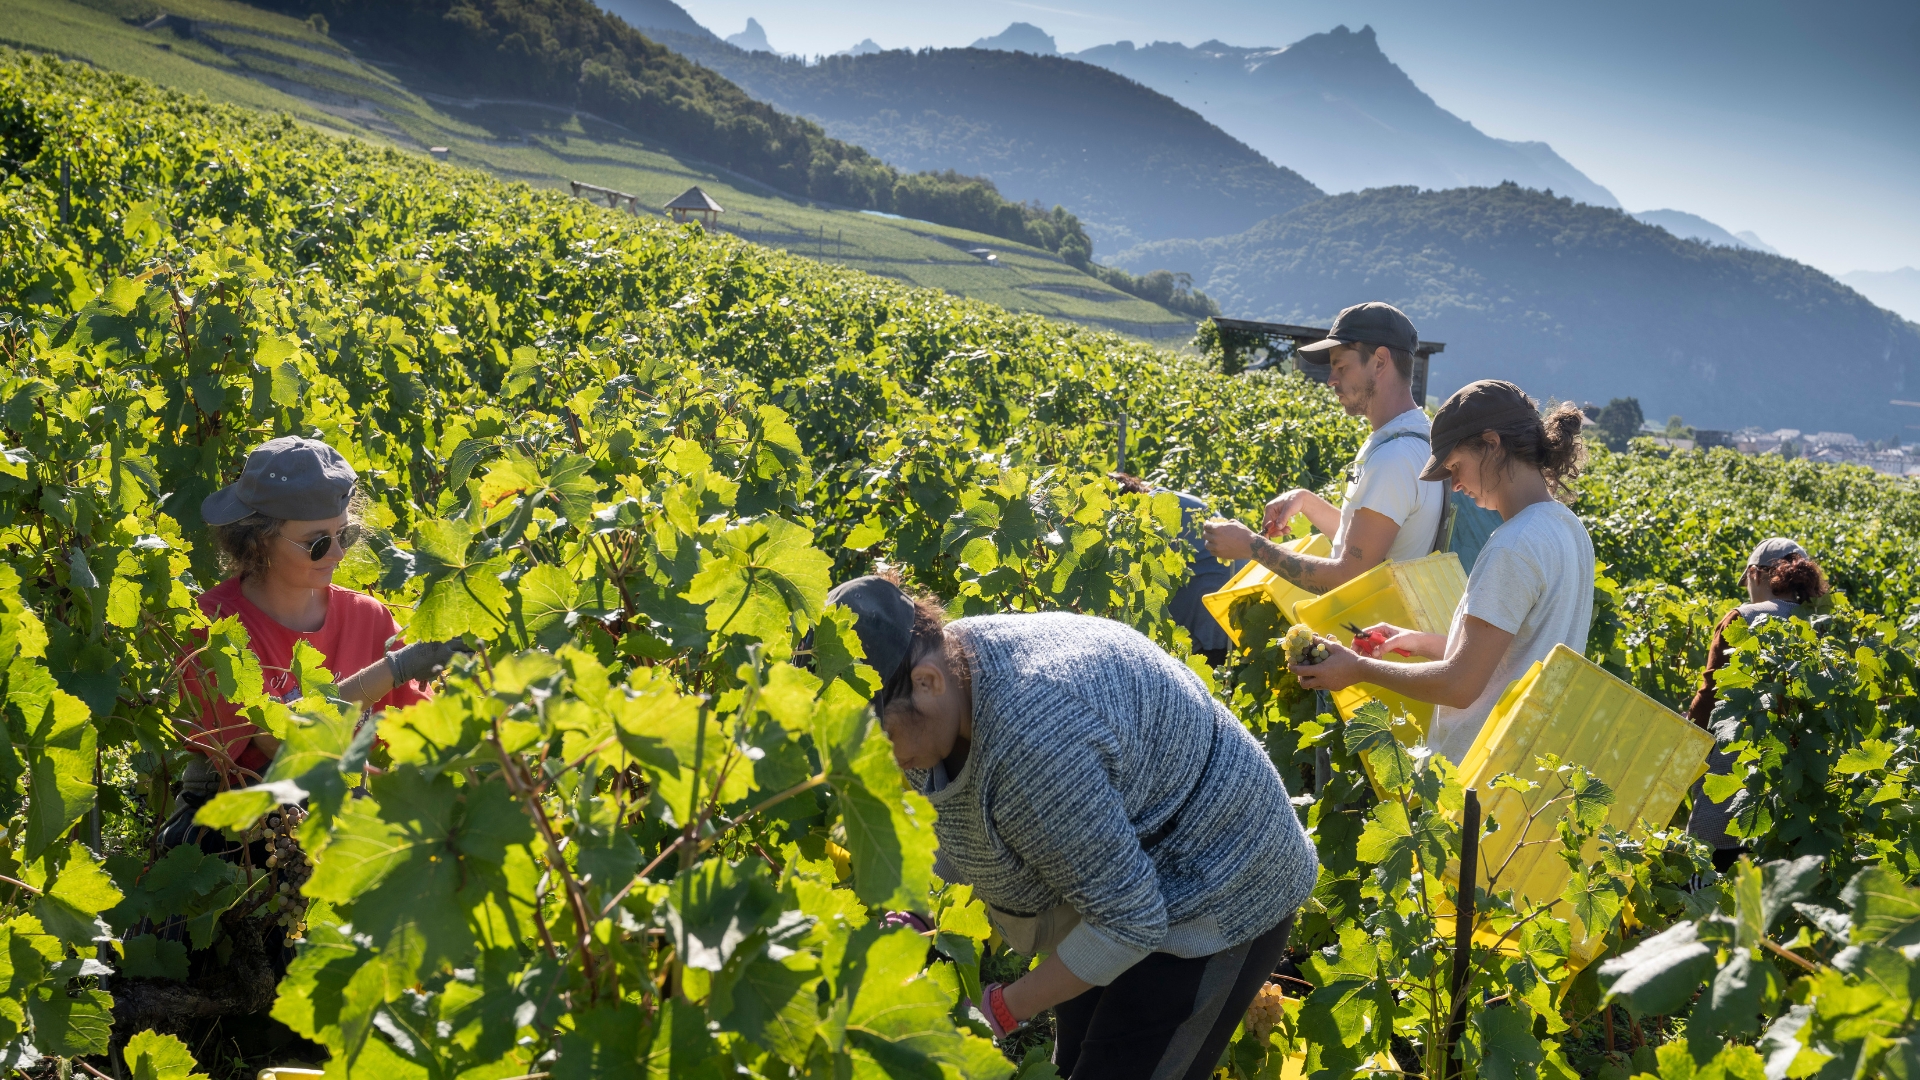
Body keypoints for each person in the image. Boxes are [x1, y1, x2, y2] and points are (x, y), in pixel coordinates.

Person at [827, 574, 1317, 1080]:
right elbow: (951, 811)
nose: (878, 763)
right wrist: (916, 908)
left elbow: (1129, 923)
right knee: (1076, 1059)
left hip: (1222, 877)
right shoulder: (940, 669)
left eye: (877, 738)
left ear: (926, 682)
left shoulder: (1036, 743)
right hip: (1117, 874)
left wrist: (998, 1009)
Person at [165, 437, 460, 844]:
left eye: (346, 535)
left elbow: (425, 736)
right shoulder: (214, 626)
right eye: (317, 542)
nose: (337, 554)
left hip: (344, 827)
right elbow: (282, 748)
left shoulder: (368, 617)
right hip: (249, 844)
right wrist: (394, 670)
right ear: (257, 539)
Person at [1289, 381, 1594, 765]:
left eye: (1455, 466)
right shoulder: (1568, 529)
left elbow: (1460, 685)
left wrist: (1359, 668)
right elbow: (1512, 656)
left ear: (1491, 443)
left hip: (1478, 777)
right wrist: (1420, 642)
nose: (1456, 483)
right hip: (1526, 768)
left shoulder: (1513, 546)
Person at [1203, 301, 1446, 592]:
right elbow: (1365, 547)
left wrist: (1253, 546)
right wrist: (1308, 502)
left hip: (1371, 632)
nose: (1331, 380)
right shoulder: (1417, 437)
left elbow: (1348, 577)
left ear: (1380, 361)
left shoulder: (1394, 458)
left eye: (1341, 366)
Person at [1684, 538, 1831, 870]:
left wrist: (1685, 733)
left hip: (1737, 772)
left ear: (1756, 574)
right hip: (1800, 782)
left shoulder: (1743, 618)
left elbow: (1710, 693)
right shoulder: (1823, 626)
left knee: (1710, 878)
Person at [1110, 471, 1239, 667]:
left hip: (1214, 608)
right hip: (1237, 593)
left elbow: (1138, 576)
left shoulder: (1147, 514)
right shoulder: (1167, 499)